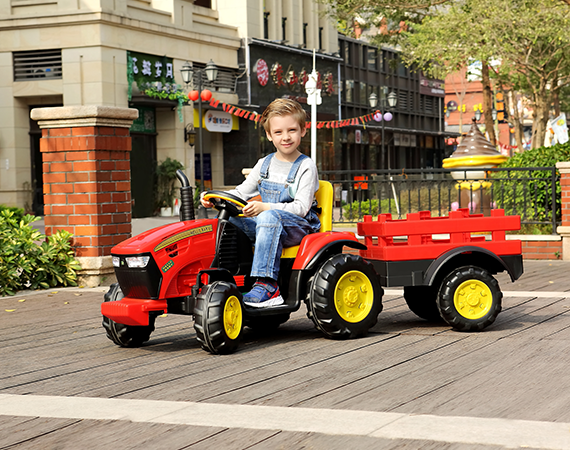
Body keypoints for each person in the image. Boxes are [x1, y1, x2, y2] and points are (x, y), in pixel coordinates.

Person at [201, 98, 320, 307]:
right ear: (269, 135)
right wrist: (215, 197)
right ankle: (227, 274)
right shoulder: (263, 164)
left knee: (267, 216)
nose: (286, 137)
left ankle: (268, 286)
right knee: (229, 220)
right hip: (270, 225)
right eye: (278, 132)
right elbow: (241, 192)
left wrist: (265, 207)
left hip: (299, 228)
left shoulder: (306, 166)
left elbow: (301, 208)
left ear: (303, 130)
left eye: (292, 130)